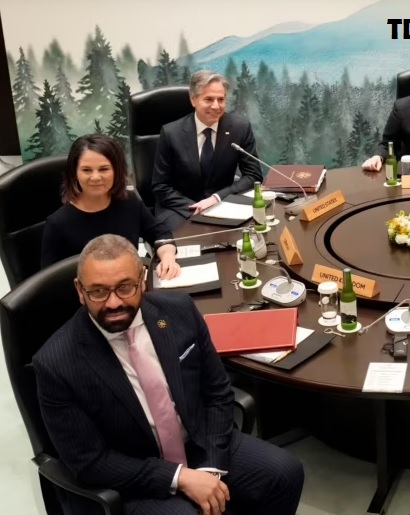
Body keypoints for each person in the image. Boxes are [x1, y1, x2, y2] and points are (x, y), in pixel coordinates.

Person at [33, 234, 304, 515]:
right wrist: (179, 478)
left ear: (143, 279)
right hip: (132, 474)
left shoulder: (179, 311)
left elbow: (217, 393)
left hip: (198, 444)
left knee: (285, 473)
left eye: (125, 287)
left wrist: (211, 467)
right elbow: (90, 462)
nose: (113, 303)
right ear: (80, 290)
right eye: (98, 291)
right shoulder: (55, 363)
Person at [42, 135, 180, 280]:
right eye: (86, 170)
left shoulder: (130, 202)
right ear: (74, 173)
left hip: (132, 285)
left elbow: (160, 234)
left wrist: (168, 257)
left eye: (103, 169)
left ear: (116, 171)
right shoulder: (57, 224)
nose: (95, 177)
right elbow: (50, 281)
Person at [151, 70, 263, 231]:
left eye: (221, 99)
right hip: (179, 208)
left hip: (222, 203)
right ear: (193, 99)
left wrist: (217, 198)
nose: (216, 106)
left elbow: (253, 175)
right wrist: (196, 207)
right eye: (209, 99)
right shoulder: (171, 133)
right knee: (187, 242)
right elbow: (160, 186)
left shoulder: (239, 128)